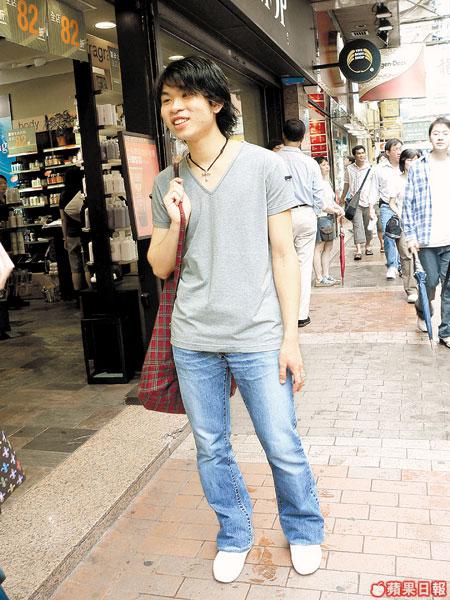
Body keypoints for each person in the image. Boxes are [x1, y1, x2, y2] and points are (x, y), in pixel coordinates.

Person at [148, 56, 324, 583]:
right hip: (193, 337)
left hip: (258, 335)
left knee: (281, 442)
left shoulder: (264, 166)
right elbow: (159, 266)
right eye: (167, 100)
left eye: (186, 96)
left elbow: (283, 255)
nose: (175, 108)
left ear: (216, 103)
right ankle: (234, 532)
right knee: (211, 447)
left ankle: (304, 528)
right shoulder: (167, 180)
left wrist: (291, 338)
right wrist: (173, 219)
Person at [403, 117, 450, 348]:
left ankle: (446, 331)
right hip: (426, 241)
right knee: (429, 284)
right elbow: (408, 205)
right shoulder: (418, 167)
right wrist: (411, 237)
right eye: (436, 133)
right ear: (429, 137)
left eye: (445, 133)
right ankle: (422, 310)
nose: (440, 137)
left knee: (449, 289)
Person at [279, 119, 323, 327]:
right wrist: (313, 212)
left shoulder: (273, 159)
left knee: (280, 263)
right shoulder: (310, 163)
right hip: (306, 214)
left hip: (280, 216)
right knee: (304, 266)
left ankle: (281, 313)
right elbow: (318, 193)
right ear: (303, 138)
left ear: (283, 135)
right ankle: (301, 315)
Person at [388, 149, 420, 303]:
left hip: (421, 224)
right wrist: (399, 213)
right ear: (403, 162)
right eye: (409, 160)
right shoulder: (397, 180)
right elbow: (391, 202)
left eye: (415, 160)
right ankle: (411, 289)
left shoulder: (424, 180)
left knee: (422, 255)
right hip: (403, 224)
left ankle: (424, 285)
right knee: (406, 256)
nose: (412, 163)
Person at [371, 138, 403, 279]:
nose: (399, 152)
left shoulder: (406, 165)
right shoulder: (379, 169)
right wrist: (371, 208)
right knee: (388, 235)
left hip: (404, 207)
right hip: (386, 206)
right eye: (396, 149)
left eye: (400, 149)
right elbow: (374, 189)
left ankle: (402, 264)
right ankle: (392, 265)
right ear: (388, 152)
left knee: (403, 237)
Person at [313, 157, 345, 286]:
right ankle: (319, 278)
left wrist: (339, 209)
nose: (327, 167)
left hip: (329, 217)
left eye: (327, 164)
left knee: (328, 247)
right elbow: (321, 205)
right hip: (322, 217)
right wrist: (335, 210)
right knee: (319, 248)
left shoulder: (326, 182)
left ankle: (326, 275)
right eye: (323, 165)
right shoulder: (316, 183)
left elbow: (330, 201)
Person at [340, 145, 375, 261]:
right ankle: (358, 250)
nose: (361, 155)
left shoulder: (371, 168)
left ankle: (368, 246)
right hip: (355, 203)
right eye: (358, 153)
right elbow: (346, 184)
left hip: (368, 202)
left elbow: (374, 186)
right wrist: (342, 198)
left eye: (362, 153)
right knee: (357, 226)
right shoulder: (349, 169)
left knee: (368, 227)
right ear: (354, 156)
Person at [59, 167, 89, 298]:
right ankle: (91, 293)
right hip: (85, 233)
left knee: (75, 268)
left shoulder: (63, 195)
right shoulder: (84, 191)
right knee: (87, 264)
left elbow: (63, 219)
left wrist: (65, 238)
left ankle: (78, 296)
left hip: (71, 234)